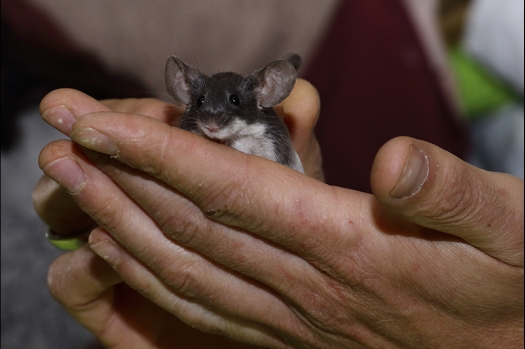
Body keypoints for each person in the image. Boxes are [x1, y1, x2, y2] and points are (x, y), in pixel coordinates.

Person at [33, 81, 523, 348]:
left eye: (228, 107)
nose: (212, 119)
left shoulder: (271, 130)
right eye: (201, 105)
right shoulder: (191, 123)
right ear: (186, 94)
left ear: (264, 95)